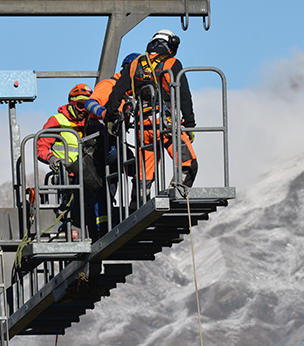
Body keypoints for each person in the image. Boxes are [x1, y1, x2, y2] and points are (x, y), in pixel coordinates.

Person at [105, 29, 198, 194]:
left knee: (144, 174)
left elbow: (117, 92)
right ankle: (176, 196)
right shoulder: (172, 64)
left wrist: (111, 118)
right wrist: (189, 124)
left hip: (143, 125)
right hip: (166, 124)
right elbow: (184, 96)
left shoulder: (135, 64)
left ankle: (137, 205)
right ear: (171, 45)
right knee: (188, 164)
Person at [84, 53, 139, 234]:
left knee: (135, 168)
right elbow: (90, 104)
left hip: (113, 142)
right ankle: (103, 228)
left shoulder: (128, 94)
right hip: (99, 141)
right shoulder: (109, 86)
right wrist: (105, 114)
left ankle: (134, 207)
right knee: (105, 184)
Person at [37, 84, 99, 239]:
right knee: (73, 210)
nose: (83, 109)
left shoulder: (90, 122)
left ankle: (96, 235)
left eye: (87, 106)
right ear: (71, 103)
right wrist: (51, 158)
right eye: (80, 105)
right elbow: (41, 146)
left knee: (93, 204)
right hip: (67, 176)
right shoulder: (57, 120)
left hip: (88, 174)